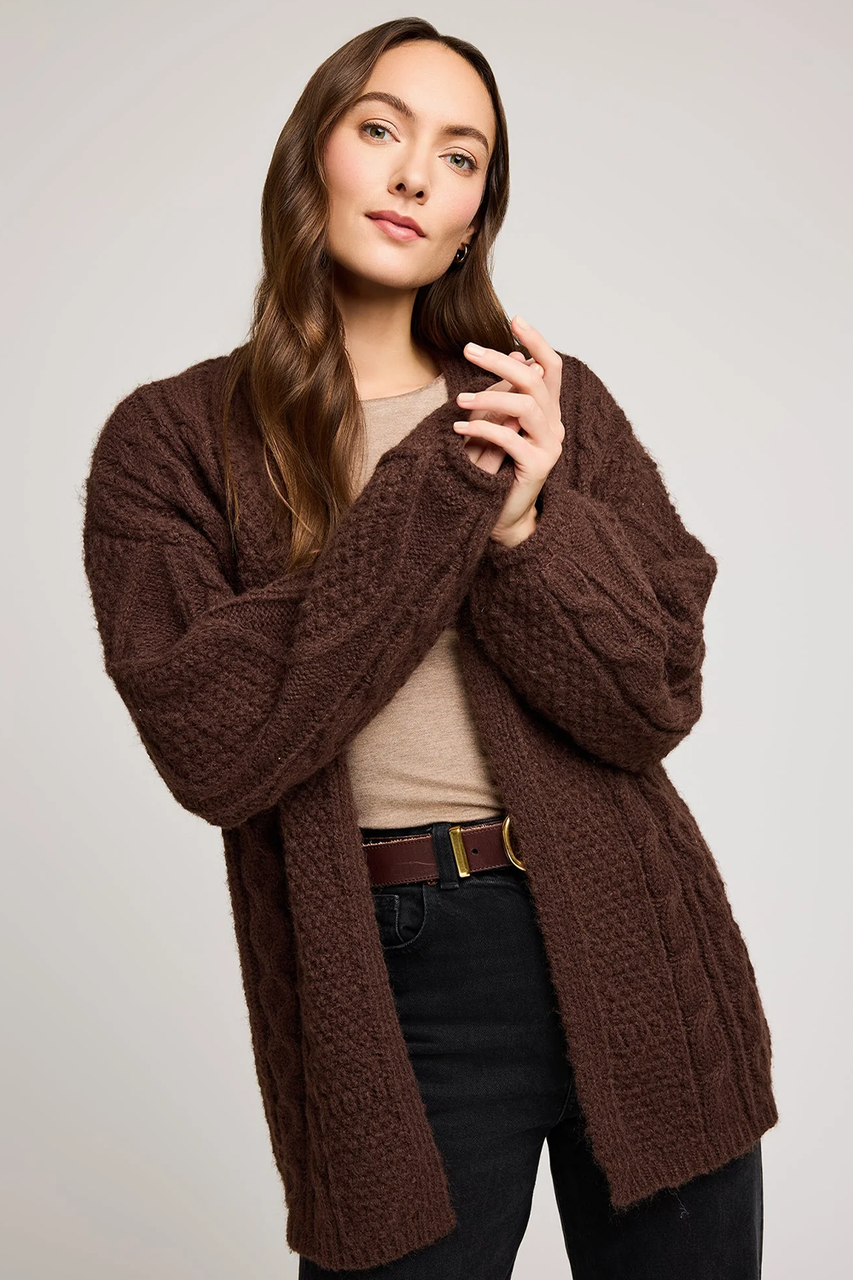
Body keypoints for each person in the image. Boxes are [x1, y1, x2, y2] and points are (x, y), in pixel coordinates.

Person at [81, 16, 777, 1279]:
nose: (414, 174)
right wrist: (460, 489)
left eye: (460, 157)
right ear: (313, 153)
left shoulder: (547, 406)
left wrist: (527, 527)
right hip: (394, 964)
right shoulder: (169, 441)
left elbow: (654, 695)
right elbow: (219, 739)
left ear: (474, 218)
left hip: (636, 925)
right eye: (380, 129)